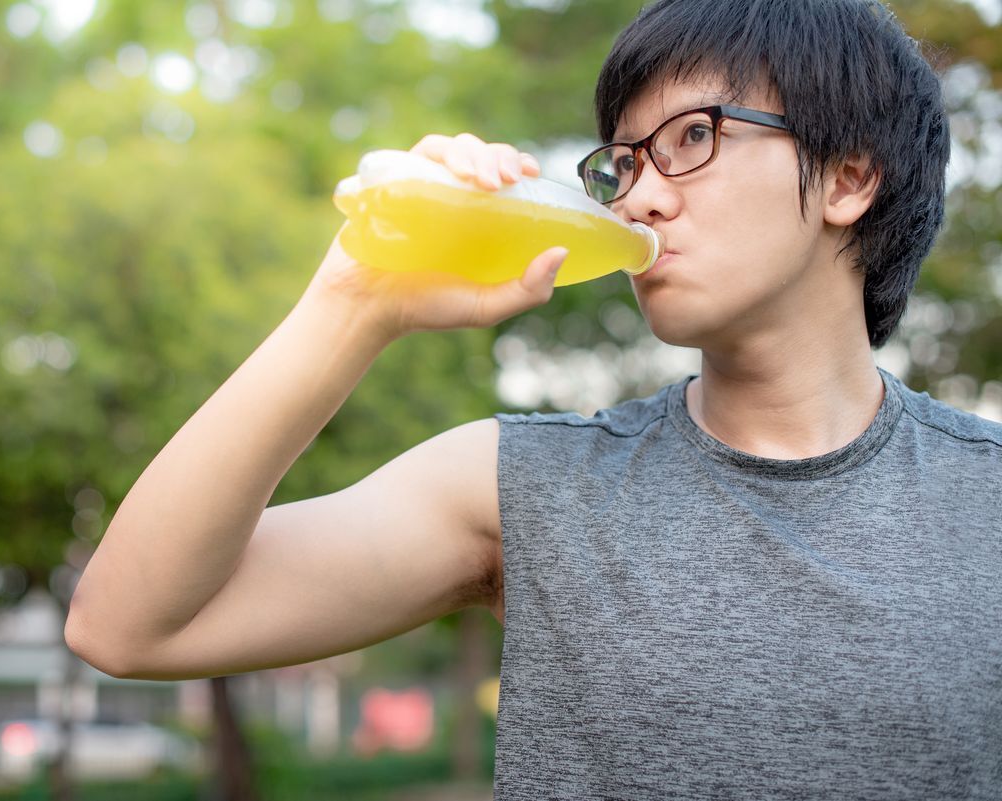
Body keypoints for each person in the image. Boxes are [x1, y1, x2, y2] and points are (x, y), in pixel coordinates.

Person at [65, 0, 1002, 797]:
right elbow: (124, 625)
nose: (637, 198)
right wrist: (357, 301)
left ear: (848, 177)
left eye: (693, 137)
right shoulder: (526, 486)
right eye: (623, 163)